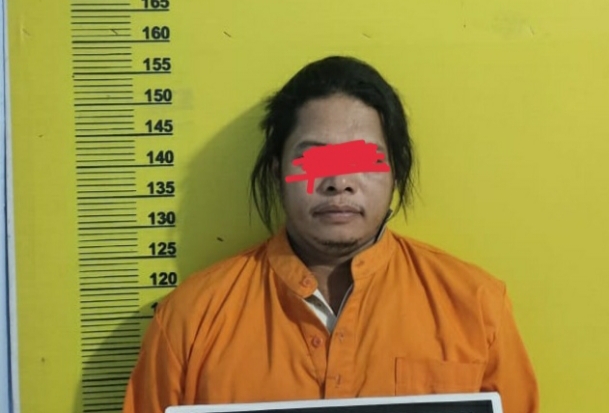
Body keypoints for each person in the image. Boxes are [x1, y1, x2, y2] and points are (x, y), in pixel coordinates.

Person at [122, 56, 539, 413]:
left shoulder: (477, 307)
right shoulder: (190, 319)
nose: (339, 182)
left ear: (396, 172)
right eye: (313, 160)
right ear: (278, 173)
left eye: (364, 158)